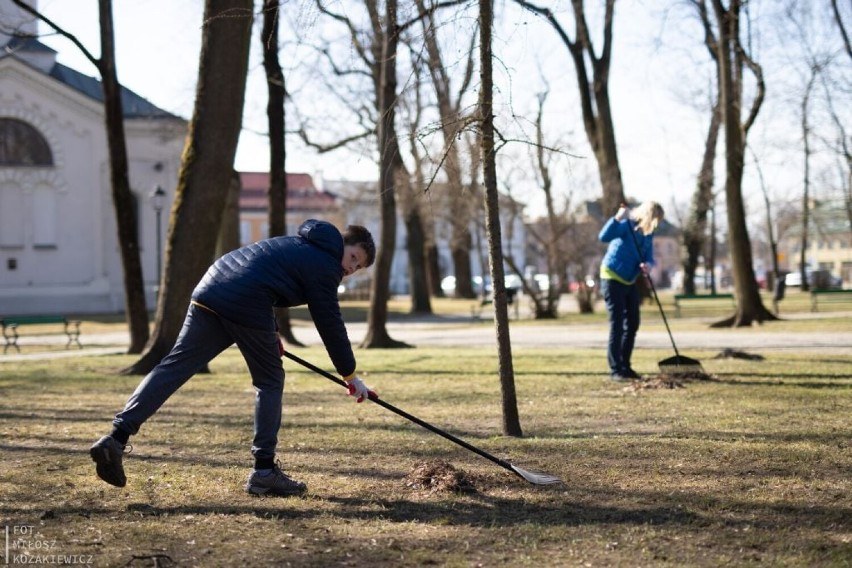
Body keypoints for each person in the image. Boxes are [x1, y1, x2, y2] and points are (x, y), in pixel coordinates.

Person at [90, 219, 376, 496]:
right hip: (245, 299)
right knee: (270, 381)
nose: (351, 268)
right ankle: (264, 471)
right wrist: (350, 375)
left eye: (358, 267)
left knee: (174, 366)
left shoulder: (301, 245)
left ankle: (116, 438)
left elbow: (266, 274)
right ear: (341, 242)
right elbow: (330, 323)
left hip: (212, 287)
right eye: (353, 257)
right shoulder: (326, 263)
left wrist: (271, 332)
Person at [598, 201, 664, 382]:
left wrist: (648, 265)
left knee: (633, 323)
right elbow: (604, 236)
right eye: (654, 219)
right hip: (611, 276)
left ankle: (625, 366)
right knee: (617, 324)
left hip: (629, 279)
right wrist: (617, 218)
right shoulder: (627, 226)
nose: (655, 224)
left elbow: (649, 256)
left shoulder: (648, 234)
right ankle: (615, 369)